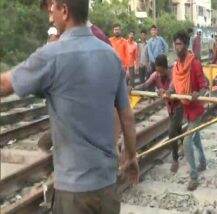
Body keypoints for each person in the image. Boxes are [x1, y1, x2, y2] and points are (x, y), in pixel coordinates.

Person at [0, 0, 139, 213]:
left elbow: (4, 85)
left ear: (64, 10)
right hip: (108, 187)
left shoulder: (51, 55)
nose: (50, 18)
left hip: (73, 192)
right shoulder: (111, 56)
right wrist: (131, 156)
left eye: (51, 11)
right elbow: (127, 115)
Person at [172, 30, 208, 191]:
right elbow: (173, 85)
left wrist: (197, 94)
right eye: (175, 43)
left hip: (197, 110)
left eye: (179, 44)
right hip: (186, 108)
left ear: (186, 46)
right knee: (196, 138)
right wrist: (166, 91)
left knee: (187, 141)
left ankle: (193, 176)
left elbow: (204, 85)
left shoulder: (194, 63)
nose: (176, 47)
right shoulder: (177, 65)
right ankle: (203, 162)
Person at [135, 54, 183, 173]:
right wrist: (134, 88)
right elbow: (146, 84)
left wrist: (166, 91)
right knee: (177, 129)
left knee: (172, 132)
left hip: (178, 106)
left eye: (162, 72)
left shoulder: (173, 74)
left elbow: (172, 88)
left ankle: (175, 159)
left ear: (166, 68)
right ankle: (184, 141)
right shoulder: (156, 74)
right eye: (158, 71)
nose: (159, 74)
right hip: (169, 107)